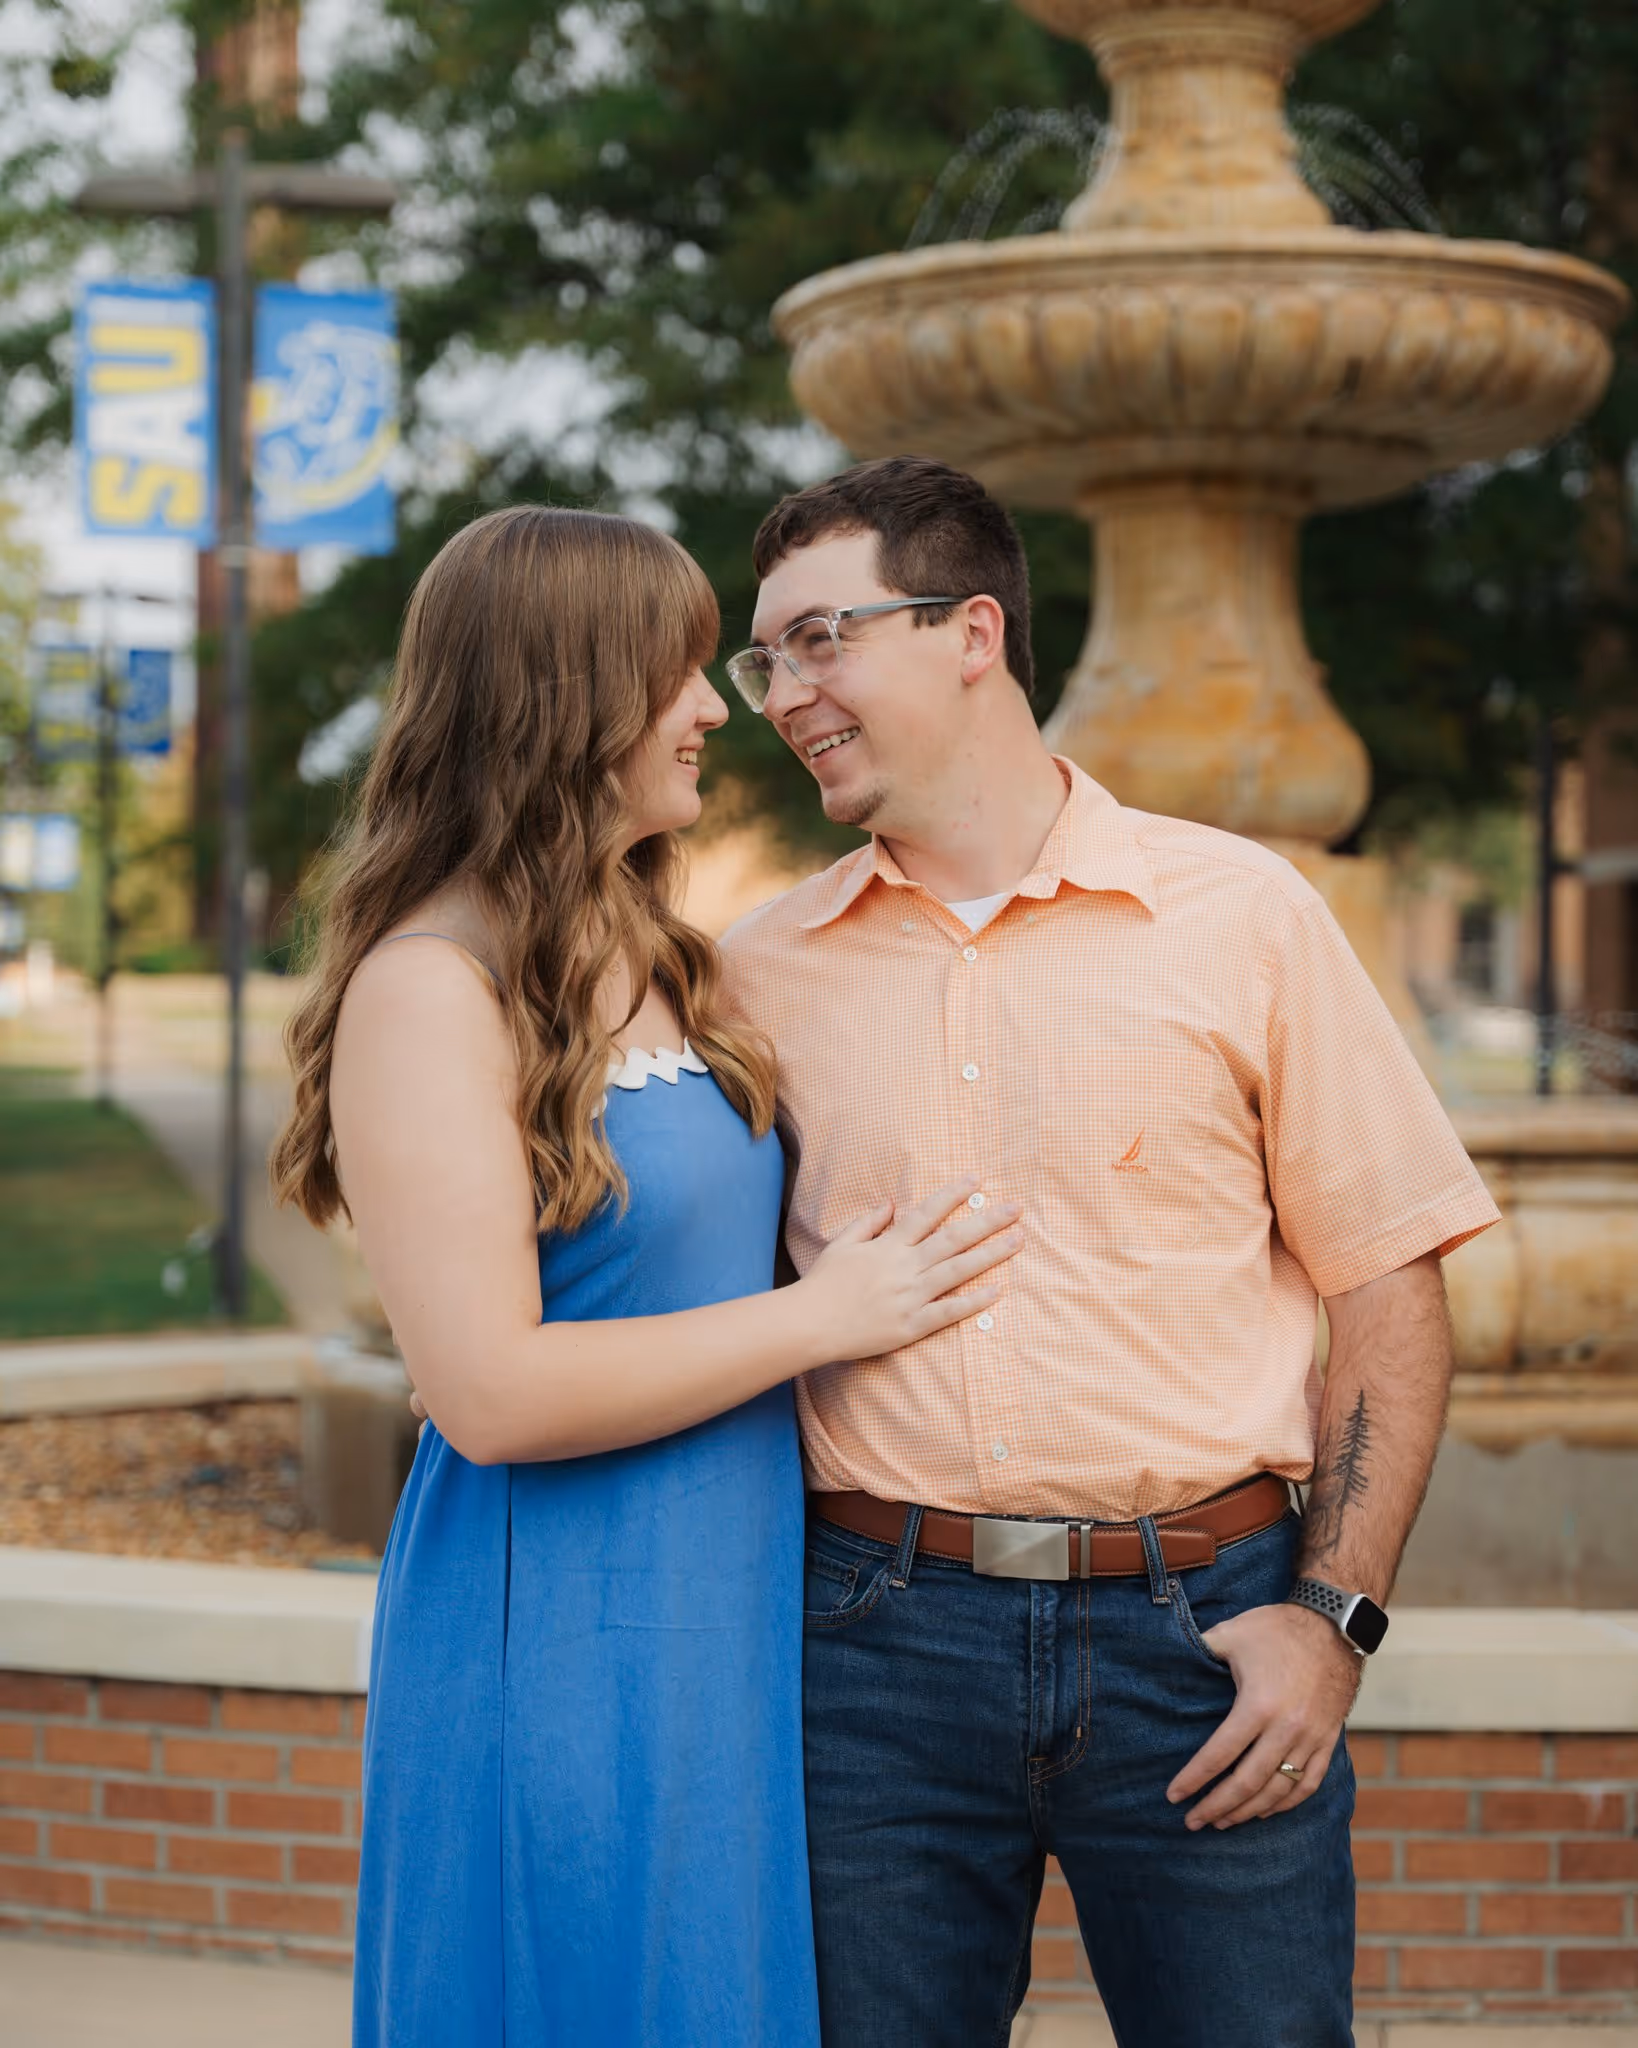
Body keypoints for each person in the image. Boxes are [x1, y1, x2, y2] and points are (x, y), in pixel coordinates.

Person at [716, 456, 1503, 2048]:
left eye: (817, 641)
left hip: (1205, 1641)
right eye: (764, 659)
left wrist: (1333, 1618)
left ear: (970, 632)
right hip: (866, 1654)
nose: (779, 696)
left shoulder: (1241, 914)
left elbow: (1385, 1283)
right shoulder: (754, 971)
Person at [269, 504, 1019, 2048]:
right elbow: (483, 1392)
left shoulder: (661, 949)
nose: (712, 708)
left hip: (727, 1613)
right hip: (560, 1622)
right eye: (677, 672)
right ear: (562, 696)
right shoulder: (430, 986)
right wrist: (819, 1320)